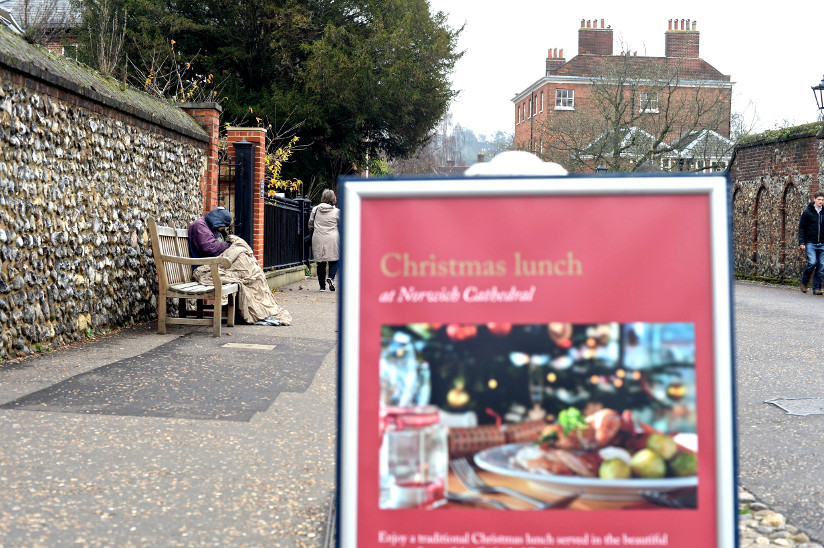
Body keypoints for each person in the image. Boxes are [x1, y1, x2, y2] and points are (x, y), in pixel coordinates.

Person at [188, 207, 292, 325]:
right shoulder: (200, 226)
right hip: (204, 267)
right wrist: (229, 245)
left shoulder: (209, 226)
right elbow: (210, 248)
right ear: (217, 220)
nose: (222, 229)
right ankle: (256, 310)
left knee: (253, 275)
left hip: (214, 264)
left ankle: (262, 307)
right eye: (222, 226)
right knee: (246, 277)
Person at [309, 189, 340, 292]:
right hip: (332, 237)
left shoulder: (316, 209)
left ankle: (322, 287)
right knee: (335, 259)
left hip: (318, 237)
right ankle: (331, 277)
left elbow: (310, 223)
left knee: (320, 262)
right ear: (333, 198)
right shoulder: (337, 212)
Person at [798, 191, 824, 295]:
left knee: (821, 265)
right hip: (810, 243)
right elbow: (802, 228)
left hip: (822, 243)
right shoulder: (807, 212)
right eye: (819, 199)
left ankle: (817, 288)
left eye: (822, 200)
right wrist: (801, 242)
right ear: (814, 199)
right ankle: (804, 282)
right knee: (812, 262)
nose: (821, 201)